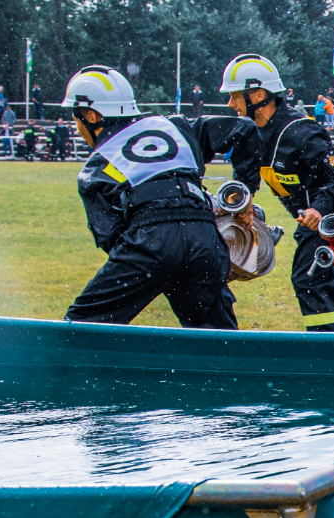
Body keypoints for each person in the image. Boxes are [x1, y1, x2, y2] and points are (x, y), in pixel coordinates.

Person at [220, 53, 334, 332]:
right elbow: (245, 179)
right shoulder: (250, 134)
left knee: (309, 280)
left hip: (333, 216)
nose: (230, 104)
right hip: (312, 220)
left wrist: (318, 208)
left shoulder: (300, 132)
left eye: (235, 96)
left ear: (258, 95)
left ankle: (325, 353)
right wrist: (241, 206)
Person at [62, 65, 260, 328]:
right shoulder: (175, 125)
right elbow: (245, 129)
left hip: (150, 240)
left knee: (82, 325)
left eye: (76, 118)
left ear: (91, 115)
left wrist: (159, 263)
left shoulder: (95, 169)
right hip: (204, 236)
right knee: (217, 338)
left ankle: (80, 367)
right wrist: (243, 195)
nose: (77, 128)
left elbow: (112, 238)